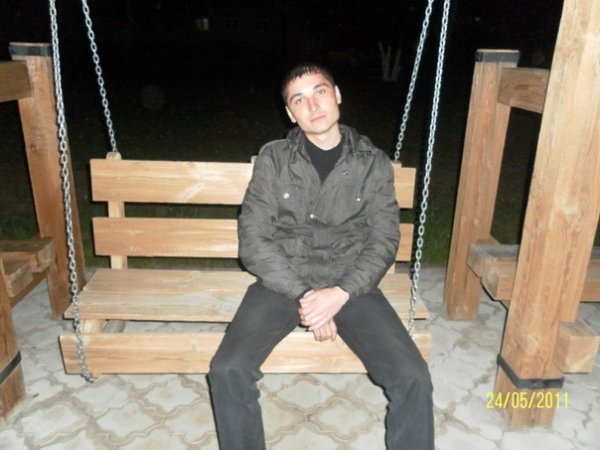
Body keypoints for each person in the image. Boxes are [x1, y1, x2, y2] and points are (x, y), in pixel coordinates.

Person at [208, 63, 434, 450]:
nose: (313, 105)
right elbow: (254, 240)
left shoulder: (372, 162)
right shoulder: (275, 159)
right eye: (299, 100)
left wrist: (339, 294)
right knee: (227, 369)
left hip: (352, 285)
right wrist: (308, 297)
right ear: (289, 113)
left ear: (337, 95)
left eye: (320, 92)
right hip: (284, 282)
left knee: (413, 376)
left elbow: (383, 240)